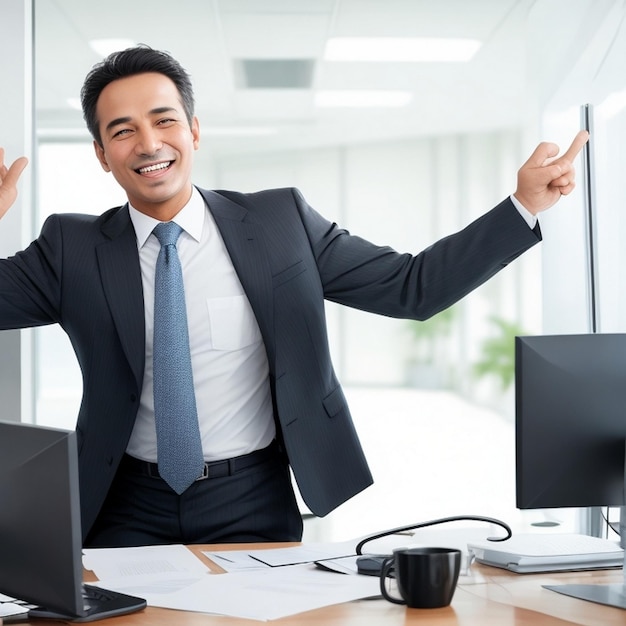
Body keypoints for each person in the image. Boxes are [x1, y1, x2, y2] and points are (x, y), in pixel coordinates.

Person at [0, 45, 588, 548]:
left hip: (251, 499)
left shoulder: (281, 223)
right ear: (103, 156)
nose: (148, 143)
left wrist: (523, 208)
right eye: (122, 130)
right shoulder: (70, 247)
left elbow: (413, 287)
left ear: (195, 130)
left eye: (165, 120)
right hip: (123, 502)